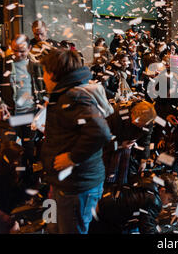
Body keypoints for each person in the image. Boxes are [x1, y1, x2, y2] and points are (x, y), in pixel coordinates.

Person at [40, 48, 112, 234]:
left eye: (45, 73)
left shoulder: (73, 96)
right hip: (65, 183)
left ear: (54, 74)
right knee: (54, 227)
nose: (43, 78)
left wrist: (73, 157)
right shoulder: (67, 93)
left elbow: (100, 131)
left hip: (76, 187)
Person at [0, 35, 46, 181]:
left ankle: (28, 182)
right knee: (9, 150)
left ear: (29, 48)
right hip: (10, 118)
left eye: (22, 51)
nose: (17, 54)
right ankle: (11, 183)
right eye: (14, 50)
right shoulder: (1, 63)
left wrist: (44, 102)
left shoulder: (36, 66)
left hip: (31, 116)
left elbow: (45, 88)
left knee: (29, 150)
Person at [90, 173, 178, 234]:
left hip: (103, 196)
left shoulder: (150, 179)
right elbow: (147, 229)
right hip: (106, 213)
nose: (168, 203)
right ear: (162, 191)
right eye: (169, 199)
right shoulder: (153, 201)